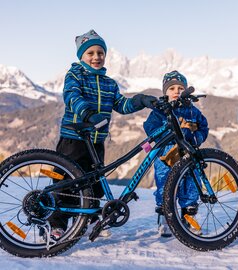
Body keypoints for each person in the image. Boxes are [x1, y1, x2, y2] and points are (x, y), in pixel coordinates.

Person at [48, 29, 157, 239]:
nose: (96, 57)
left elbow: (122, 105)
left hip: (96, 140)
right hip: (74, 138)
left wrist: (141, 100)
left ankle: (91, 218)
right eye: (91, 53)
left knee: (96, 183)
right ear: (81, 56)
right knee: (65, 183)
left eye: (100, 53)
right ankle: (57, 224)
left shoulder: (109, 83)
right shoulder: (74, 75)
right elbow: (72, 97)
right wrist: (88, 114)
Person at [143, 70, 209, 237]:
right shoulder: (160, 110)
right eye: (172, 88)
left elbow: (203, 127)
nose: (176, 91)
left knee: (191, 185)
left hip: (189, 153)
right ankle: (165, 217)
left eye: (180, 88)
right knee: (165, 184)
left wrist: (197, 138)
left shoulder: (192, 111)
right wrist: (165, 132)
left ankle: (189, 216)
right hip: (167, 154)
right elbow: (149, 127)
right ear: (165, 92)